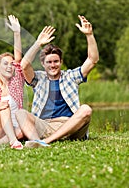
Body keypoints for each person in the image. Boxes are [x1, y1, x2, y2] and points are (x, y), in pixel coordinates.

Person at [19, 15, 99, 147]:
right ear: (43, 64)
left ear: (61, 62)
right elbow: (24, 65)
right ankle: (36, 141)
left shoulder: (71, 76)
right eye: (49, 62)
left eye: (56, 61)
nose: (53, 65)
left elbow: (92, 60)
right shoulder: (38, 79)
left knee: (85, 109)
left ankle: (45, 142)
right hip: (45, 125)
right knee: (20, 113)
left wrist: (89, 35)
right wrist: (38, 43)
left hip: (71, 125)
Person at [0, 15, 28, 150]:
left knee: (22, 129)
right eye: (5, 64)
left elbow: (18, 59)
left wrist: (16, 33)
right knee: (3, 106)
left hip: (15, 127)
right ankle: (13, 141)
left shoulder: (16, 82)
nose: (9, 66)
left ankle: (1, 144)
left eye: (11, 64)